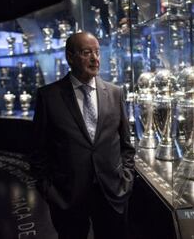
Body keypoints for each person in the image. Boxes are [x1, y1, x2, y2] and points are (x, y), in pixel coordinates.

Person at [29, 31, 135, 239]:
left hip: (112, 193)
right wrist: (50, 191)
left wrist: (126, 180)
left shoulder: (115, 93)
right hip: (68, 197)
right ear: (70, 57)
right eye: (87, 52)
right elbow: (38, 151)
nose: (95, 58)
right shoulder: (49, 96)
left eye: (97, 52)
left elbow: (126, 145)